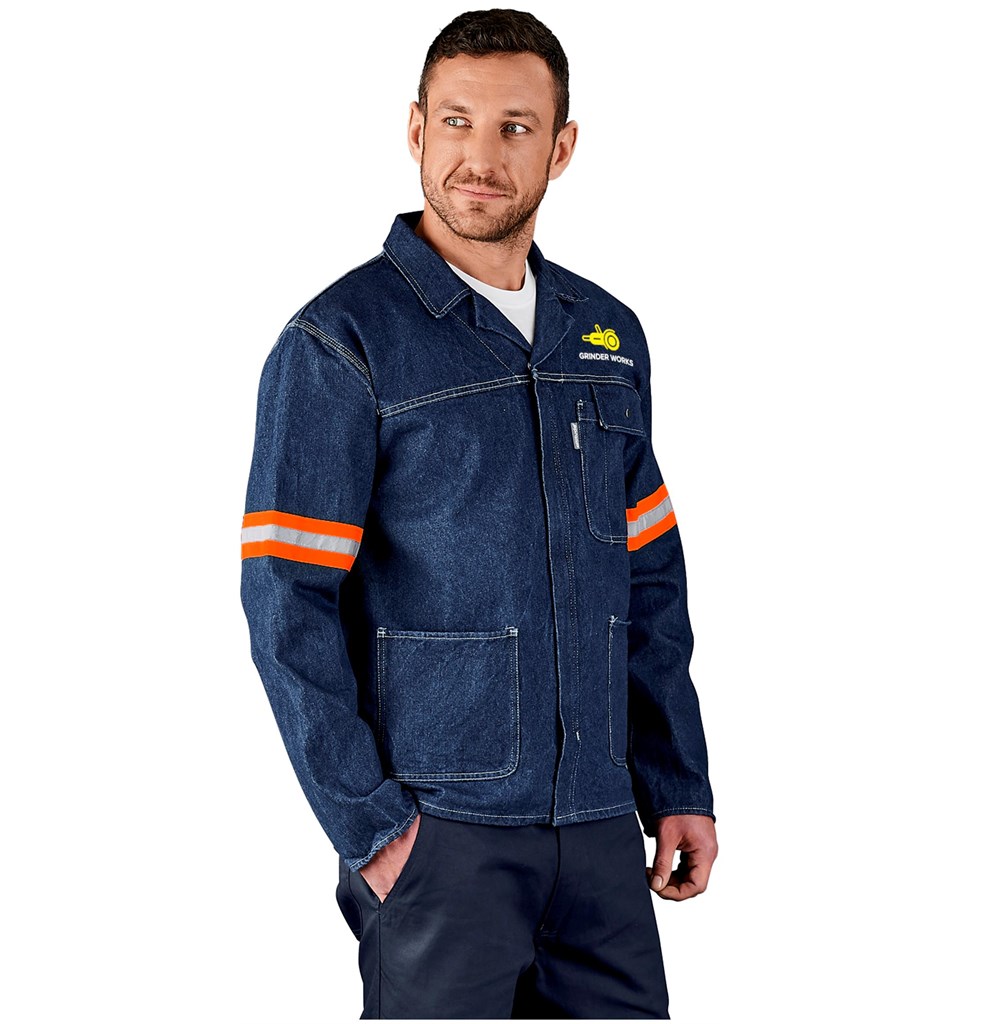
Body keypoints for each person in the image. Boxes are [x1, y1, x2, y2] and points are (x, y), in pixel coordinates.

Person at [240, 9, 717, 1019]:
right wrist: (376, 831)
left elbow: (647, 576)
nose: (480, 157)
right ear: (416, 129)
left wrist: (677, 780)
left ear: (561, 147)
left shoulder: (606, 336)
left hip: (600, 829)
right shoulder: (341, 343)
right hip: (442, 837)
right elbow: (287, 604)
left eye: (514, 127)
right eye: (456, 122)